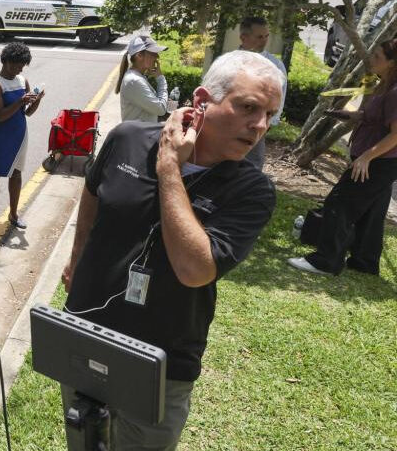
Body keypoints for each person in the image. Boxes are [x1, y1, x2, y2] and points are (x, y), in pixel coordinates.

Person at [61, 50, 283, 450]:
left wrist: (169, 169)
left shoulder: (252, 190)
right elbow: (93, 192)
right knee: (83, 440)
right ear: (202, 100)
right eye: (249, 107)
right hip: (90, 329)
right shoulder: (127, 138)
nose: (260, 125)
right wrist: (77, 256)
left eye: (270, 115)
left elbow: (194, 270)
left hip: (162, 359)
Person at [289, 38, 397, 276]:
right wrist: (350, 116)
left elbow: (395, 135)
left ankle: (325, 261)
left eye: (378, 57)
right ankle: (364, 262)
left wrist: (367, 157)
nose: (372, 60)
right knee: (372, 211)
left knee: (340, 202)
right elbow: (375, 117)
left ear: (392, 63)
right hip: (379, 160)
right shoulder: (384, 85)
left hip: (379, 161)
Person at [0, 42, 44, 231]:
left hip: (20, 134)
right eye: (18, 64)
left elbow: (28, 112)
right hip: (2, 135)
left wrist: (37, 99)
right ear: (6, 61)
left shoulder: (22, 80)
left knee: (16, 174)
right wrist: (20, 101)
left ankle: (14, 214)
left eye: (22, 65)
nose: (20, 68)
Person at [238, 16, 288, 169]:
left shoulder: (275, 66)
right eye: (259, 37)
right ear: (243, 37)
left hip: (257, 132)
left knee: (251, 171)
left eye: (266, 36)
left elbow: (280, 99)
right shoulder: (228, 61)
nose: (264, 40)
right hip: (226, 126)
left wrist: (265, 126)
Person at [117, 35, 169, 123]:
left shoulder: (138, 77)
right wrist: (160, 79)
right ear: (139, 56)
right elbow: (161, 109)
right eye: (153, 53)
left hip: (142, 134)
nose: (157, 57)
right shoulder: (134, 81)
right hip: (138, 136)